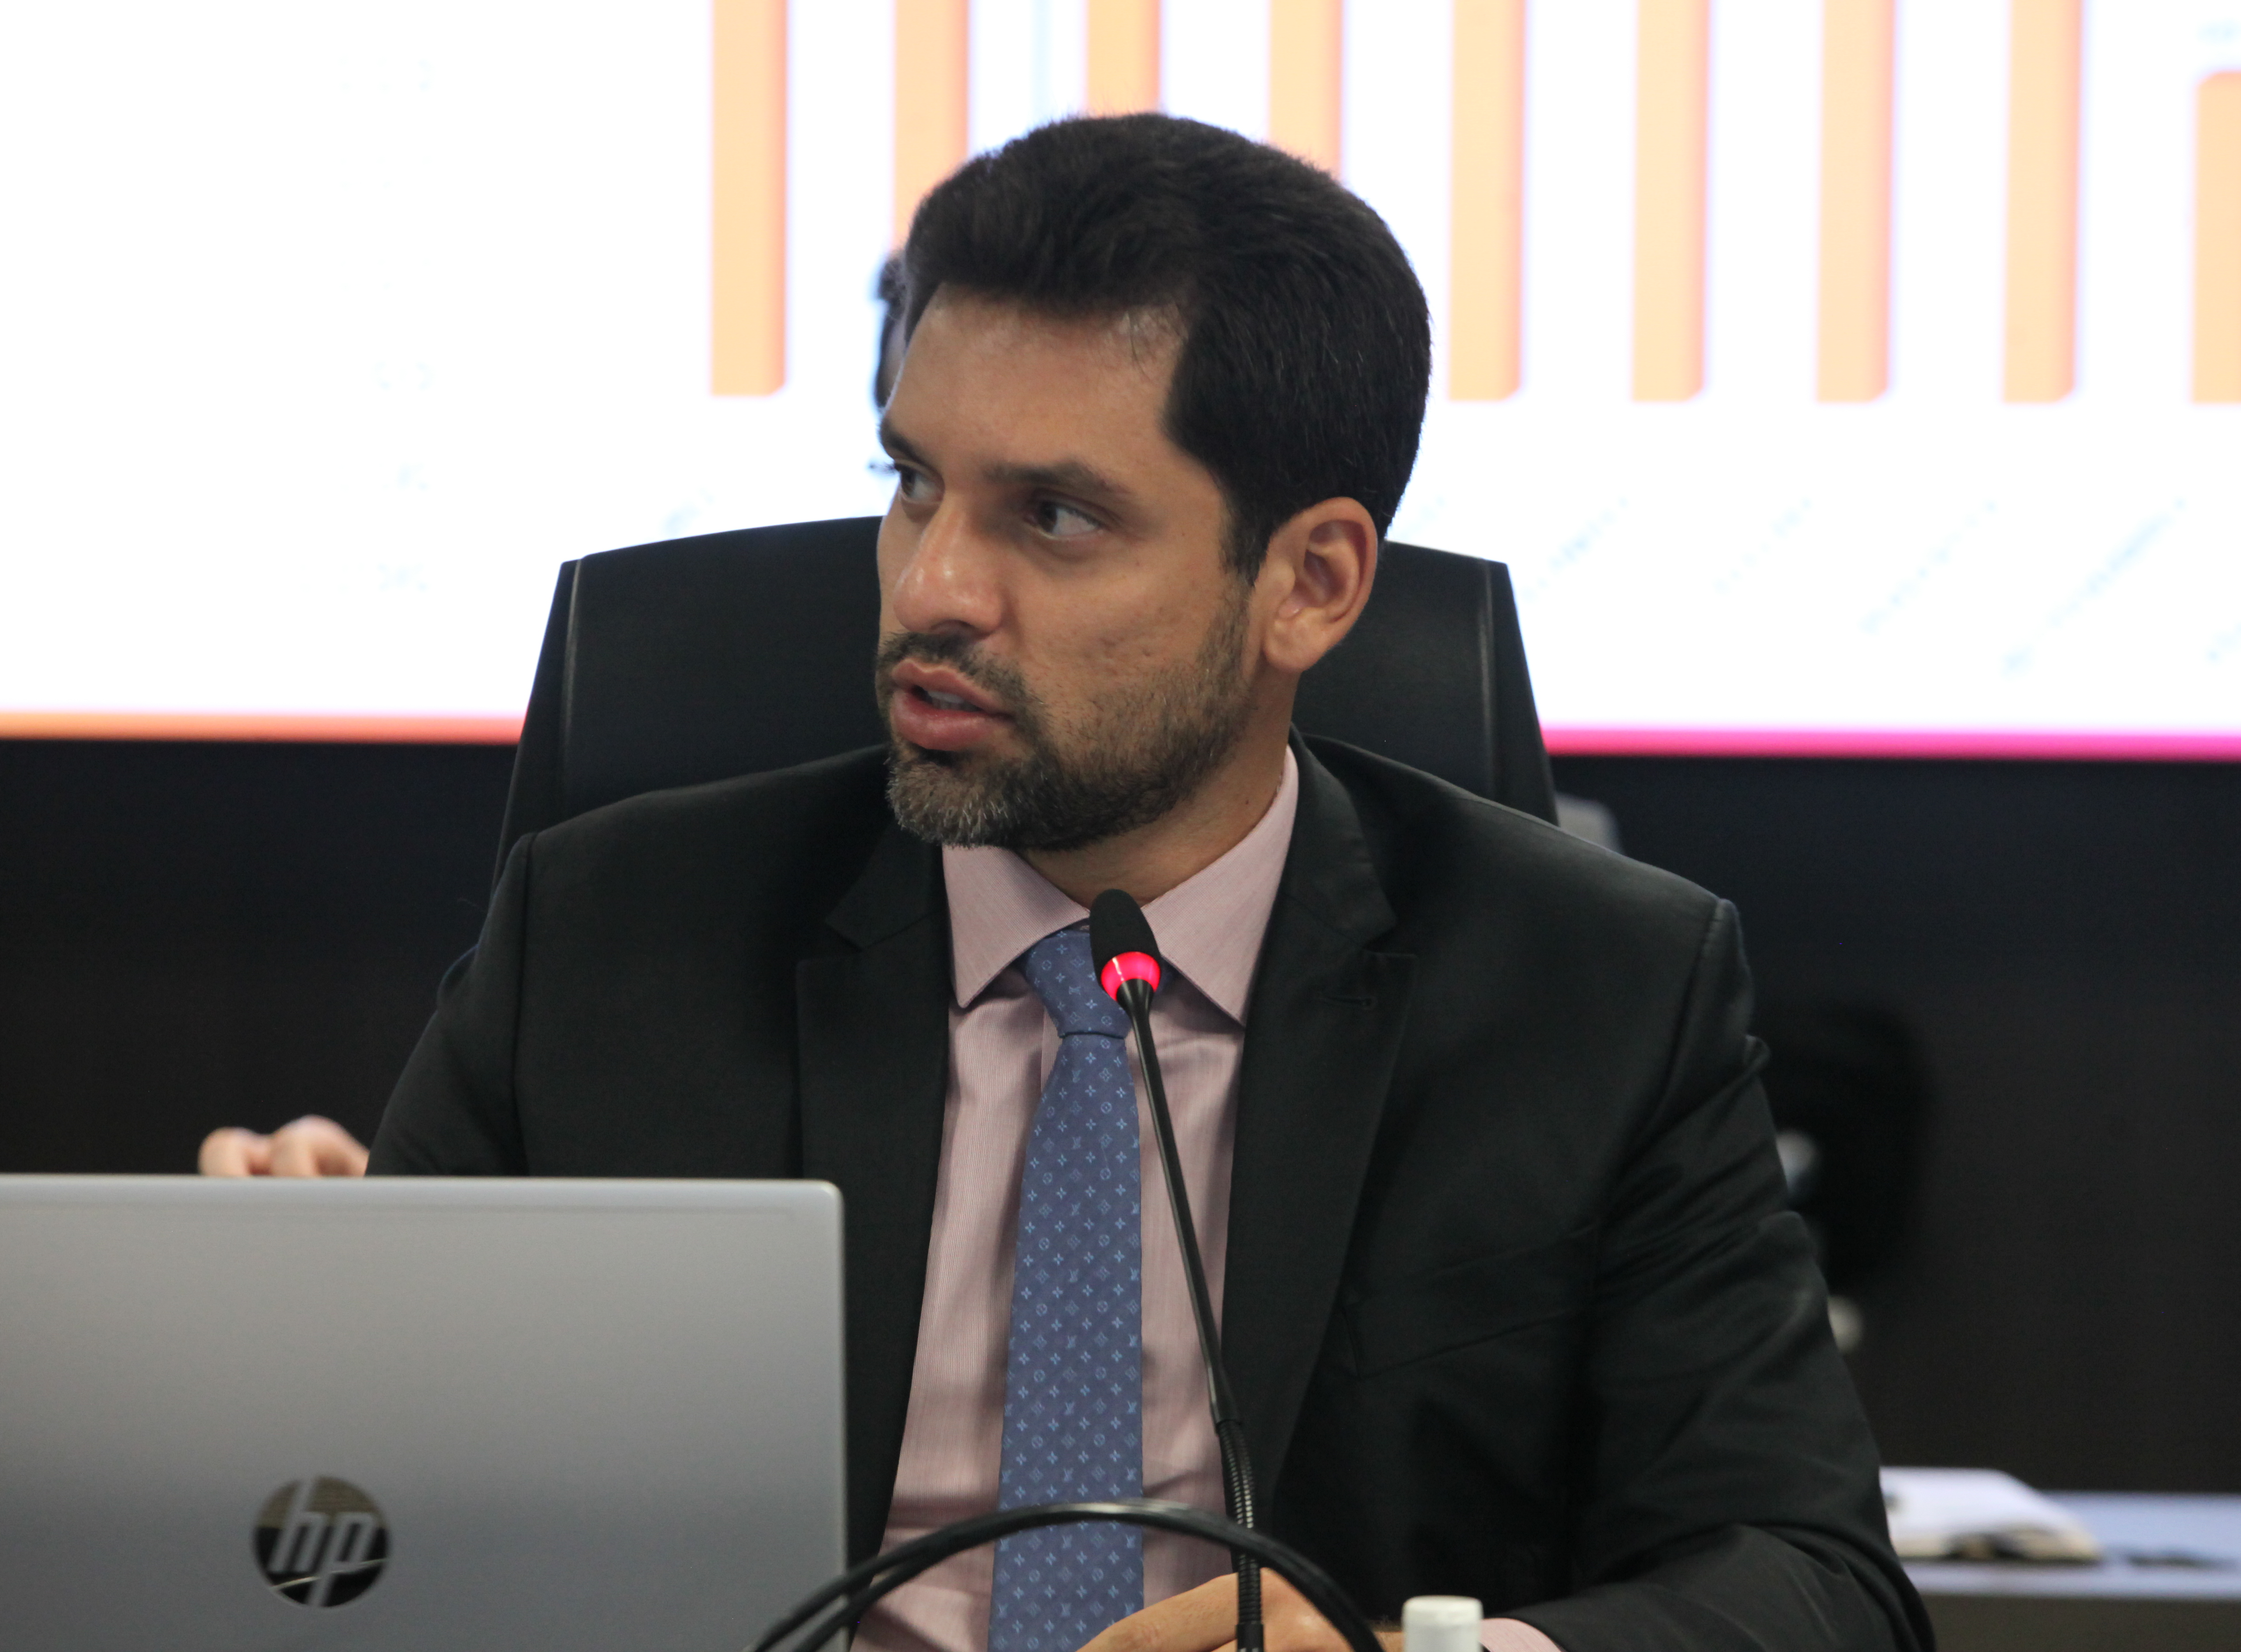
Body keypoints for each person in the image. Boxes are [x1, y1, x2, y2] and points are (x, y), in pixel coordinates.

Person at [205, 115, 1929, 1652]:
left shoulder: (1596, 991)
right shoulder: (612, 937)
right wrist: (305, 1346)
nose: (931, 588)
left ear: (1312, 585)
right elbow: (347, 1537)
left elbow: (1812, 1585)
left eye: (1054, 518)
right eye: (912, 485)